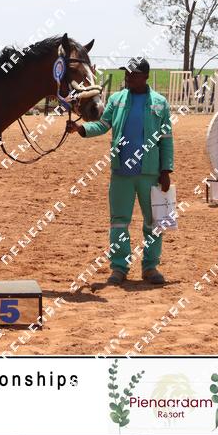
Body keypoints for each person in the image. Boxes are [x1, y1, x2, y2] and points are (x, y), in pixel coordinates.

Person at [67, 57, 174, 286]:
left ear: (145, 76)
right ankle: (119, 268)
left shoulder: (160, 103)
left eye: (133, 74)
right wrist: (81, 128)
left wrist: (166, 170)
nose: (128, 77)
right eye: (126, 73)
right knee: (118, 222)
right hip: (121, 172)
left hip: (150, 173)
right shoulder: (116, 100)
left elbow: (166, 138)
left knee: (153, 223)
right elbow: (103, 125)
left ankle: (150, 267)